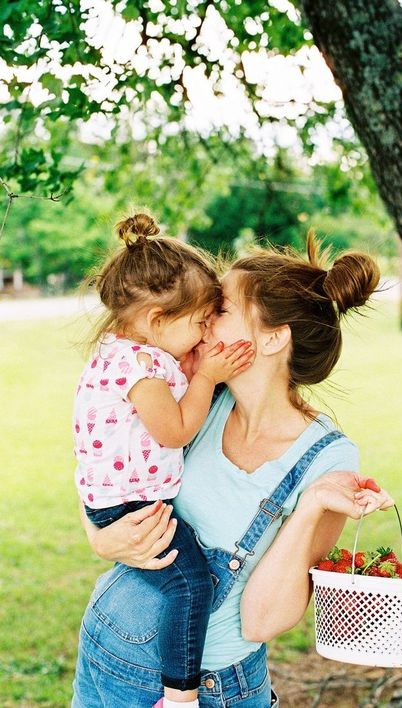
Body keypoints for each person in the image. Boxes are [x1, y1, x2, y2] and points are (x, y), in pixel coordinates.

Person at [72, 233, 394, 707]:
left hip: (204, 688)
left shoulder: (327, 459)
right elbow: (99, 463)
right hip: (101, 656)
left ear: (272, 337)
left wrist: (309, 510)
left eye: (219, 309)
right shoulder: (196, 401)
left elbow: (261, 623)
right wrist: (100, 538)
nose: (202, 321)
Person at [72, 212, 254, 708]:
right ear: (157, 321)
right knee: (191, 584)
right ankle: (180, 697)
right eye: (198, 322)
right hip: (130, 509)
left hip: (117, 501)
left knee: (184, 580)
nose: (202, 336)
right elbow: (174, 430)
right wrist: (206, 379)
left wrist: (191, 367)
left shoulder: (126, 352)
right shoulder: (143, 368)